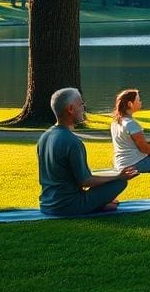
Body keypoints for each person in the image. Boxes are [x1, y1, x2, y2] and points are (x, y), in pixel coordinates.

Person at [37, 87, 138, 215]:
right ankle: (99, 205)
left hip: (46, 204)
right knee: (120, 182)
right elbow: (85, 181)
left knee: (111, 181)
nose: (84, 108)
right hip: (67, 206)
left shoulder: (45, 137)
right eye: (81, 104)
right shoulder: (73, 142)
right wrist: (119, 176)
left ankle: (102, 205)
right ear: (71, 109)